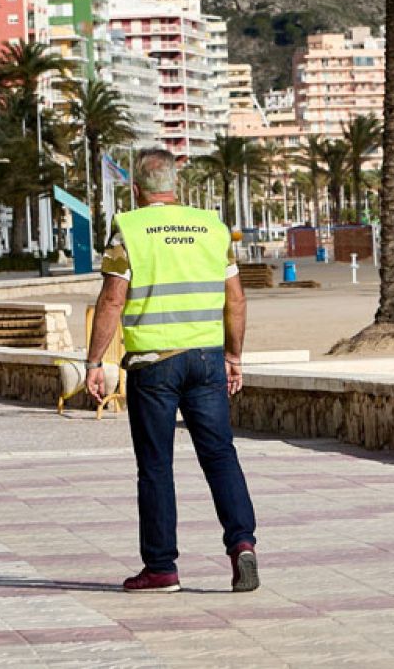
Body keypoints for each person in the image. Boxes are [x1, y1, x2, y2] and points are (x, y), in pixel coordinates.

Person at [85, 149, 259, 594]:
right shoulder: (212, 227)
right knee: (220, 456)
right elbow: (235, 298)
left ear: (136, 189)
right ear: (175, 185)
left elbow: (111, 300)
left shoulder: (130, 228)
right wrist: (234, 357)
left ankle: (161, 568)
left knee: (156, 466)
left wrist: (94, 361)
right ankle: (241, 543)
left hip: (153, 364)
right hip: (205, 359)